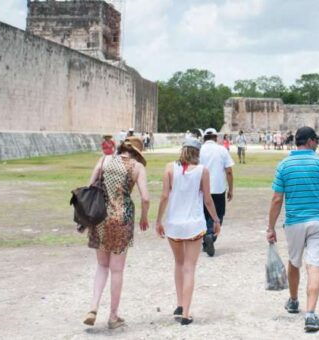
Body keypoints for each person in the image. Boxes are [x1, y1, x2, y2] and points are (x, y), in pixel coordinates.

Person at [267, 126, 319, 333]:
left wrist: (270, 227)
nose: (317, 144)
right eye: (316, 140)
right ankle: (311, 314)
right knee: (314, 266)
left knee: (294, 261)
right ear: (309, 141)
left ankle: (293, 300)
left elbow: (277, 199)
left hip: (294, 222)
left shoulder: (284, 165)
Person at [83, 136, 150, 330]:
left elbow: (89, 188)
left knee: (101, 265)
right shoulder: (137, 167)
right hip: (122, 219)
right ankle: (113, 316)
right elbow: (145, 198)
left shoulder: (104, 160)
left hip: (100, 217)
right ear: (137, 153)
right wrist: (144, 217)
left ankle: (93, 307)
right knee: (117, 270)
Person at [155, 137, 223, 325]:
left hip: (174, 223)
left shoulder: (169, 168)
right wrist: (216, 220)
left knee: (178, 263)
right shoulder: (203, 171)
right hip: (194, 223)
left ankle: (179, 304)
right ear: (197, 152)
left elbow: (164, 196)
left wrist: (158, 220)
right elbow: (208, 199)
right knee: (189, 267)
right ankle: (186, 313)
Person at [199, 128, 234, 256]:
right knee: (218, 215)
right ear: (215, 137)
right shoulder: (222, 150)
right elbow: (229, 171)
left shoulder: (199, 150)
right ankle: (211, 236)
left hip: (202, 189)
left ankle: (206, 240)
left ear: (204, 138)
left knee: (204, 215)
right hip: (219, 189)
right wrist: (231, 189)